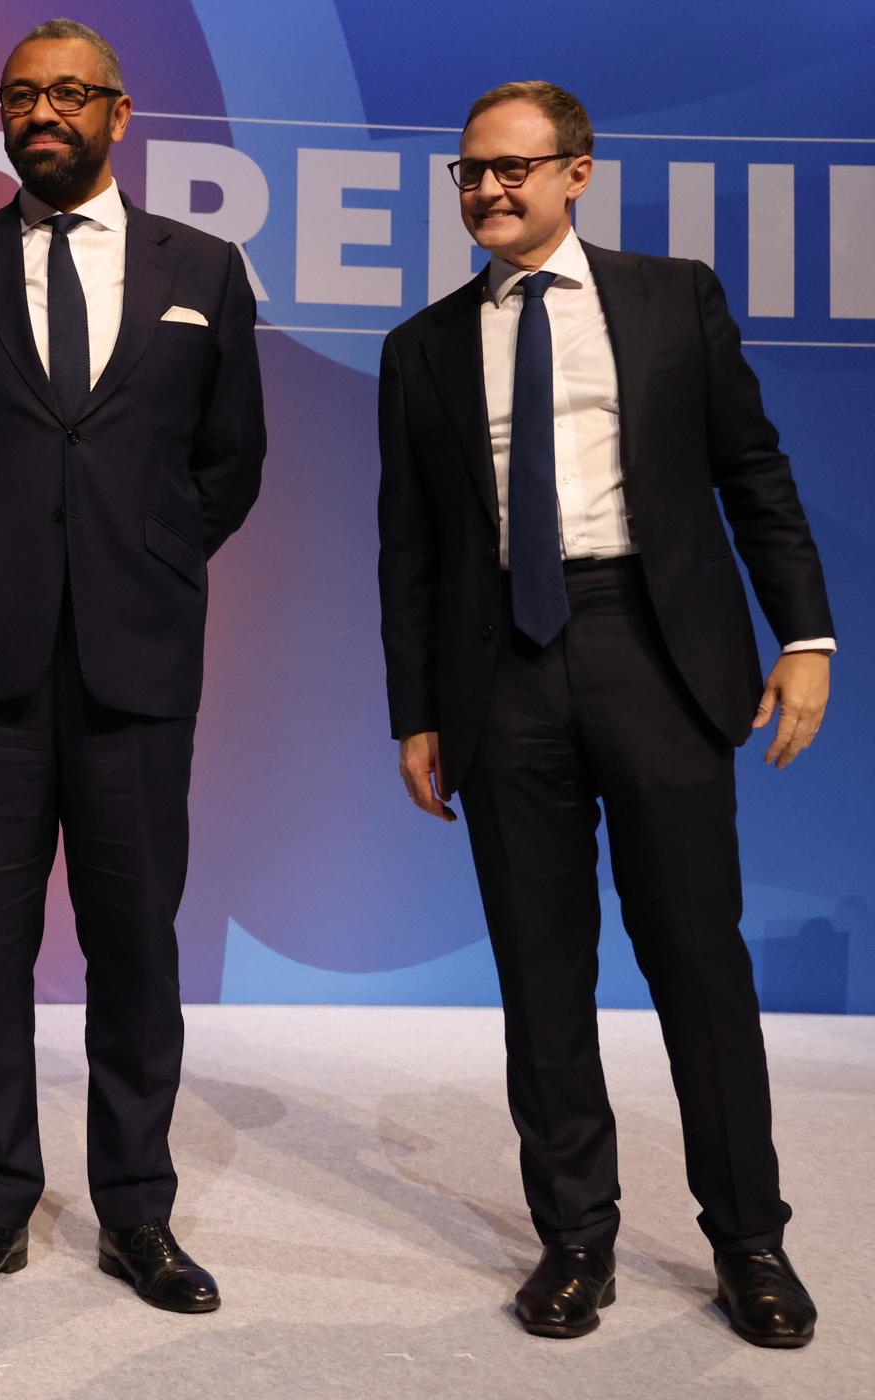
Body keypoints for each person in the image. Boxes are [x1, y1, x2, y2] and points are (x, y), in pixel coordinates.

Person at [377, 81, 833, 1348]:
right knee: (540, 972)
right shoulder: (420, 345)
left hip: (654, 647)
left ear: (578, 173)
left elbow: (755, 469)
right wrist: (415, 706)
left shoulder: (671, 295)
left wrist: (805, 633)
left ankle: (749, 1240)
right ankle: (575, 1238)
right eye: (470, 174)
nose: (490, 192)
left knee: (699, 959)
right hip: (499, 674)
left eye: (515, 170)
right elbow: (405, 549)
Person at [0, 20, 263, 1313]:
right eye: (21, 94)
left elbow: (229, 464)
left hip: (136, 666)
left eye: (68, 93)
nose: (44, 112)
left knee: (134, 947)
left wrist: (133, 564)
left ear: (120, 113)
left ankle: (136, 1213)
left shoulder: (204, 267)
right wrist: (2, 564)